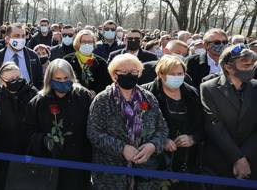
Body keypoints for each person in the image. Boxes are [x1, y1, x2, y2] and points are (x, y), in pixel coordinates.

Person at [87, 53, 168, 190]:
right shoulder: (103, 100)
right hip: (111, 175)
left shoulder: (148, 98)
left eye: (133, 71)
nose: (129, 75)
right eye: (124, 71)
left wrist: (152, 146)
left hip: (146, 175)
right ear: (114, 75)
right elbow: (94, 133)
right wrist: (122, 148)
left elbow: (162, 128)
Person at [24, 59, 93, 190]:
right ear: (49, 79)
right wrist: (43, 140)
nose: (62, 82)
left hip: (78, 162)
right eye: (58, 78)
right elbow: (28, 130)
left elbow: (92, 125)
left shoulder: (83, 96)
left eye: (66, 78)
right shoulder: (39, 101)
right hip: (49, 162)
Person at [142, 55, 204, 189]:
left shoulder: (192, 93)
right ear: (161, 74)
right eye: (172, 74)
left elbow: (202, 123)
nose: (177, 77)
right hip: (155, 161)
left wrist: (193, 138)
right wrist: (160, 140)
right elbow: (139, 123)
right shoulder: (145, 93)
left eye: (180, 74)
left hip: (186, 161)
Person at [200, 44, 257, 182]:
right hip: (220, 159)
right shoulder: (209, 88)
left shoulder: (255, 87)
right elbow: (214, 126)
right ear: (228, 67)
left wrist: (245, 157)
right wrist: (237, 157)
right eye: (245, 66)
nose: (250, 69)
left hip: (253, 158)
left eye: (252, 65)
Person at [0, 62, 38, 190]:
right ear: (2, 81)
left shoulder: (33, 95)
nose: (15, 81)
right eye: (10, 79)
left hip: (28, 154)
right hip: (3, 157)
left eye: (17, 78)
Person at [0, 23, 43, 89]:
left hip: (28, 96)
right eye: (17, 36)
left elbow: (40, 80)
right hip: (5, 97)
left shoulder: (33, 56)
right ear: (7, 39)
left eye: (23, 36)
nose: (21, 39)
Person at [63, 29, 111, 95]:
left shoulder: (101, 62)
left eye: (90, 42)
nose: (87, 44)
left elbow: (106, 83)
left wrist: (95, 91)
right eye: (84, 42)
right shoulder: (67, 60)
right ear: (78, 43)